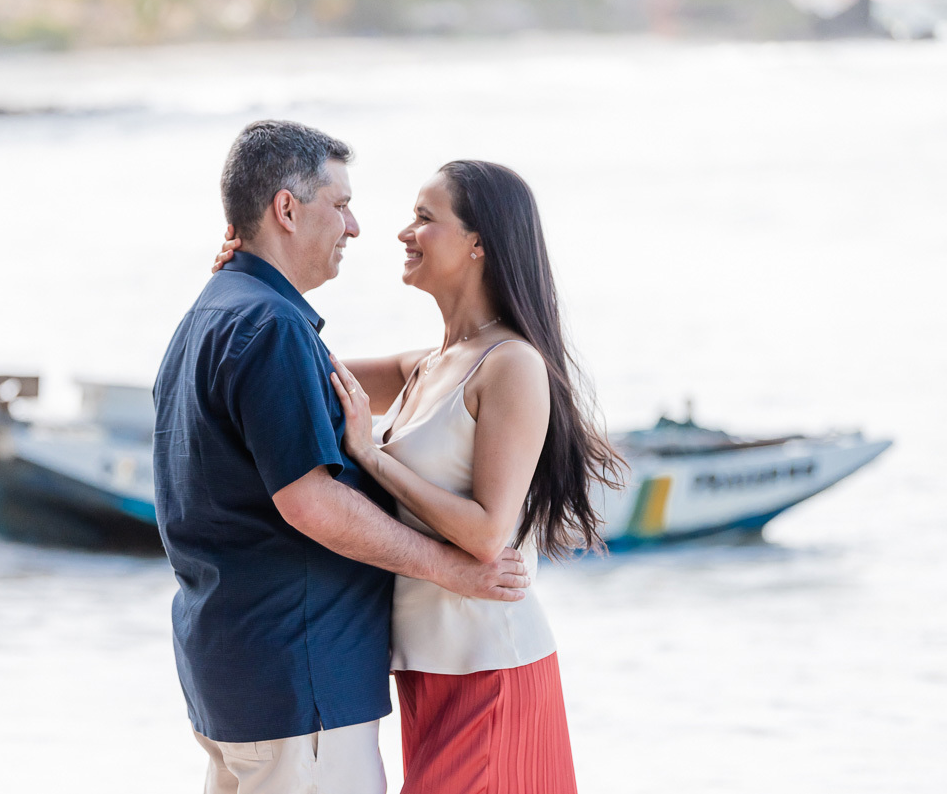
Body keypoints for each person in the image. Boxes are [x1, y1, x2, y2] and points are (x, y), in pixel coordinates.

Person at [217, 160, 622, 792]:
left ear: (478, 243)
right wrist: (247, 281)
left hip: (491, 669)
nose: (404, 233)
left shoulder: (511, 364)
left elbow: (489, 535)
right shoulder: (426, 365)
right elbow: (282, 366)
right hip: (424, 672)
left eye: (425, 219)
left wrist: (373, 457)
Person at [152, 122, 531, 794]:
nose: (355, 226)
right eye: (341, 203)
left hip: (230, 680)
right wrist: (453, 569)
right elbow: (311, 502)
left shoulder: (215, 313)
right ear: (287, 209)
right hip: (302, 692)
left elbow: (347, 382)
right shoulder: (271, 326)